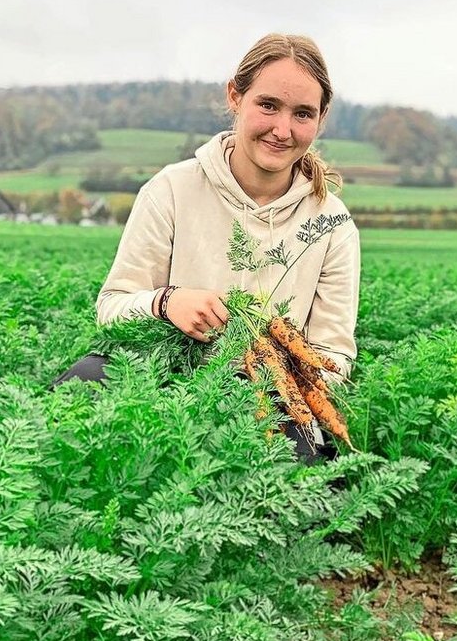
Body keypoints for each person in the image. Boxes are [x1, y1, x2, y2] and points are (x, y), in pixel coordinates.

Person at [53, 32, 361, 462]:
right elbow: (112, 306)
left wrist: (279, 370)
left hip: (268, 400)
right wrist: (167, 303)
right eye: (268, 105)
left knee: (308, 476)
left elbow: (333, 355)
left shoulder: (332, 223)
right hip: (163, 380)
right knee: (83, 380)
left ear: (321, 120)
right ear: (235, 96)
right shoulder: (171, 190)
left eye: (302, 114)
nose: (282, 129)